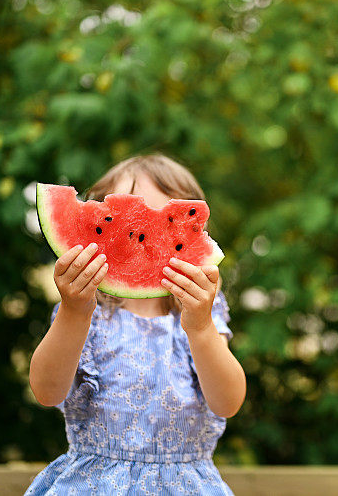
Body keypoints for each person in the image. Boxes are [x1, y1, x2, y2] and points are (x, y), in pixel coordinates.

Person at [25, 153, 246, 495]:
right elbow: (46, 391)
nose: (142, 232)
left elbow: (227, 402)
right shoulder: (84, 311)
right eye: (124, 221)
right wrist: (74, 312)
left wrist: (201, 328)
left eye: (165, 222)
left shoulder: (203, 313)